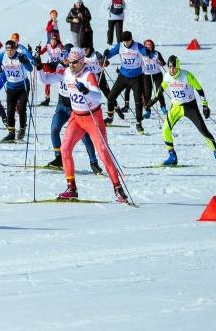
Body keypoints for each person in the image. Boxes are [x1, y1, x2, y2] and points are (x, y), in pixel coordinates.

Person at [56, 49, 128, 203]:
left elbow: (97, 96)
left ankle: (118, 189)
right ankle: (71, 188)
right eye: (70, 61)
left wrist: (86, 90)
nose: (72, 65)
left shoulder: (88, 75)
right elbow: (46, 79)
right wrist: (38, 66)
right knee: (65, 149)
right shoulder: (67, 72)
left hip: (92, 117)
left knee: (102, 151)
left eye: (75, 62)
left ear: (82, 61)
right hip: (76, 117)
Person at [159, 56, 216, 167]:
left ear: (178, 67)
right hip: (175, 107)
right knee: (165, 129)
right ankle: (172, 156)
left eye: (174, 68)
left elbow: (199, 89)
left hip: (190, 107)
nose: (171, 70)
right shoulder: (167, 76)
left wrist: (205, 106)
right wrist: (151, 101)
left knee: (203, 131)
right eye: (169, 67)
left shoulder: (187, 75)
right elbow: (161, 89)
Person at [103, 32, 149, 133]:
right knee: (111, 97)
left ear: (131, 39)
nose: (126, 43)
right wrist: (106, 53)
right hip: (123, 76)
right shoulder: (120, 46)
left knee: (138, 101)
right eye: (124, 41)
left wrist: (146, 51)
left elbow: (144, 52)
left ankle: (139, 123)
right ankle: (110, 117)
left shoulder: (137, 46)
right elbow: (110, 54)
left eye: (128, 41)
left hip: (136, 77)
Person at [0, 40, 35, 141]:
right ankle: (11, 132)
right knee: (10, 110)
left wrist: (24, 61)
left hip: (23, 86)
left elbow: (30, 69)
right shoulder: (3, 56)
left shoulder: (21, 56)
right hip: (11, 87)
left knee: (21, 109)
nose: (9, 51)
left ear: (15, 49)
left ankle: (22, 129)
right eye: (7, 49)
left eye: (11, 49)